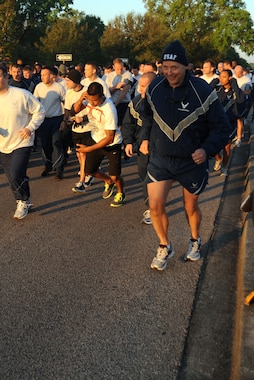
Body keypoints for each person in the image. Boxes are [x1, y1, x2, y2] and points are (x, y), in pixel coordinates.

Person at [140, 41, 232, 269]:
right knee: (155, 205)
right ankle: (164, 245)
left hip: (191, 160)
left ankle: (195, 239)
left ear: (187, 67)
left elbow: (222, 128)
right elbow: (146, 116)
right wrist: (143, 138)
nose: (169, 72)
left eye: (175, 67)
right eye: (165, 67)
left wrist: (207, 150)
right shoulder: (154, 87)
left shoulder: (202, 91)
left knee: (190, 206)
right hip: (161, 158)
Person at [0, 65, 45, 220]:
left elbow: (40, 110)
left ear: (6, 77)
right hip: (3, 144)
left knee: (15, 174)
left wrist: (30, 128)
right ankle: (25, 199)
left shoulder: (21, 95)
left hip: (23, 141)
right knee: (12, 177)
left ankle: (21, 202)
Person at [72, 82, 126, 207]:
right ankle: (108, 181)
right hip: (96, 138)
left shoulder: (109, 109)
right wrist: (81, 99)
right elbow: (76, 109)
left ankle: (120, 192)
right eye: (90, 100)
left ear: (102, 96)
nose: (93, 103)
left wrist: (89, 149)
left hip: (112, 144)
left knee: (115, 176)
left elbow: (109, 138)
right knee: (89, 171)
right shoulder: (89, 101)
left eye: (95, 101)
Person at [122, 72, 156, 223]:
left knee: (153, 177)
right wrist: (128, 142)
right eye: (139, 86)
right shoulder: (135, 103)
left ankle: (152, 208)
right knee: (143, 174)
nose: (140, 89)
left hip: (159, 148)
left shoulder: (164, 104)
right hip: (142, 149)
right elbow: (128, 124)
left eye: (144, 86)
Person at [33, 65, 66, 180]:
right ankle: (48, 165)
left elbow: (65, 103)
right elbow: (35, 104)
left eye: (45, 75)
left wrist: (64, 120)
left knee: (56, 143)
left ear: (51, 76)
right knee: (45, 144)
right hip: (43, 120)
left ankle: (59, 169)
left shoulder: (59, 88)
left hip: (56, 119)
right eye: (41, 75)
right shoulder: (38, 87)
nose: (42, 77)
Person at [213, 69, 245, 176]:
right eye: (220, 76)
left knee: (226, 146)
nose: (221, 79)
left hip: (230, 123)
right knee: (212, 144)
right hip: (217, 122)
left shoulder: (236, 91)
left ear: (230, 78)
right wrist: (214, 82)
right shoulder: (218, 90)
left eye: (224, 77)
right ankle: (218, 158)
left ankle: (225, 167)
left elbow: (240, 100)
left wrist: (234, 83)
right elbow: (205, 92)